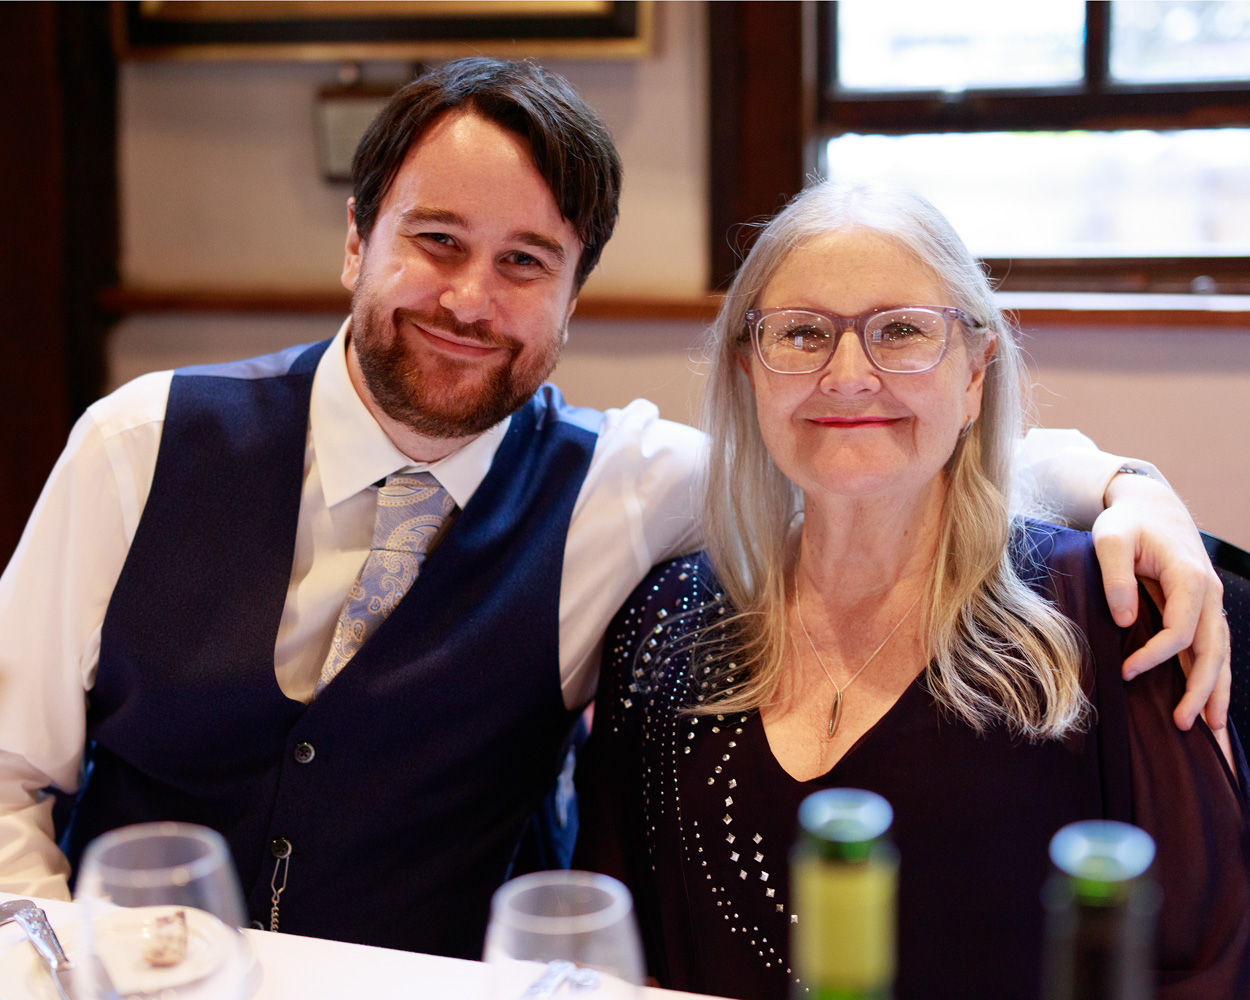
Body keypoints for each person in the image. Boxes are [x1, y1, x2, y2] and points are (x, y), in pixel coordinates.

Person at [0, 59, 1229, 960]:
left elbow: (871, 446)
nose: (469, 299)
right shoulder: (139, 443)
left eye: (525, 261)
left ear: (571, 297)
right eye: (434, 240)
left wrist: (1134, 489)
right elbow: (5, 770)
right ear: (355, 242)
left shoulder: (624, 488)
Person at [576, 182, 1249, 999]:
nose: (849, 377)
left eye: (901, 332)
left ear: (974, 375)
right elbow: (606, 952)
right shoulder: (662, 626)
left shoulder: (1111, 615)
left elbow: (1206, 964)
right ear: (749, 372)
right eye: (802, 334)